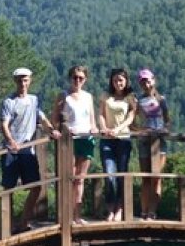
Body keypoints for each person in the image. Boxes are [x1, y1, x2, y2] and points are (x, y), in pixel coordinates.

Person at [0, 67, 61, 231]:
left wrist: (52, 130)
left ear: (30, 80)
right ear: (15, 81)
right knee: (8, 189)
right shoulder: (9, 102)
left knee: (36, 187)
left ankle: (23, 222)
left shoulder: (34, 100)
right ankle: (8, 226)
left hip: (27, 150)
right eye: (20, 80)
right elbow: (4, 124)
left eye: (25, 80)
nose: (23, 83)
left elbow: (41, 118)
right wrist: (11, 141)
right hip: (11, 151)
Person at [53, 65, 98, 224]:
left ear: (85, 79)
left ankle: (77, 216)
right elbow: (55, 119)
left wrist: (94, 128)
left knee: (80, 179)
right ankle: (66, 216)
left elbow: (91, 118)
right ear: (70, 78)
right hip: (70, 140)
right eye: (75, 77)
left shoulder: (88, 96)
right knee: (69, 178)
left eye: (81, 78)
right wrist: (58, 130)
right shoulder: (63, 96)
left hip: (86, 139)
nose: (77, 80)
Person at [97, 68, 136, 222]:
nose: (118, 83)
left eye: (121, 80)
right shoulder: (106, 96)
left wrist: (118, 129)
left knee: (121, 175)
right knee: (109, 174)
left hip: (123, 138)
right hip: (107, 139)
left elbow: (131, 117)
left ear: (126, 81)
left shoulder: (130, 98)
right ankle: (110, 209)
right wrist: (104, 128)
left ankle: (119, 209)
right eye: (115, 80)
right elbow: (100, 113)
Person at [136, 67, 170, 220]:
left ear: (153, 80)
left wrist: (164, 129)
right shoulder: (139, 101)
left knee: (157, 177)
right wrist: (140, 130)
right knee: (145, 178)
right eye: (143, 82)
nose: (146, 84)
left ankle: (152, 211)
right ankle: (144, 211)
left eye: (148, 81)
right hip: (144, 140)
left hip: (159, 142)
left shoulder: (161, 100)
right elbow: (133, 121)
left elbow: (168, 120)